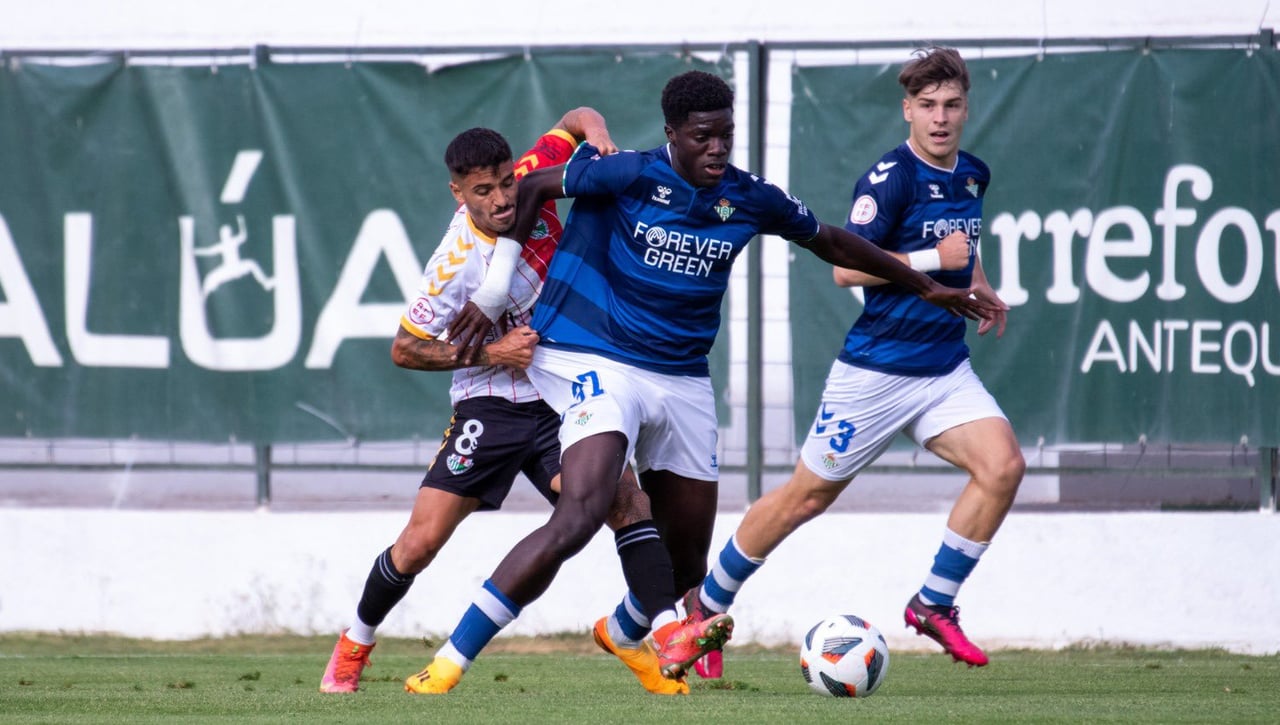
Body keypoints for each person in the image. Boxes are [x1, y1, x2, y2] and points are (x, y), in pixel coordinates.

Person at [408, 69, 995, 695]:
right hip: (596, 359)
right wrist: (496, 290)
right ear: (673, 134)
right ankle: (449, 661)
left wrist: (927, 284)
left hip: (683, 378)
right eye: (702, 137)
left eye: (726, 136)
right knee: (580, 510)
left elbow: (828, 239)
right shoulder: (626, 172)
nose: (717, 149)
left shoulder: (748, 196)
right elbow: (530, 190)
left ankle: (626, 629)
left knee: (688, 564)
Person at [321, 109, 688, 696]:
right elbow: (405, 350)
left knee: (623, 501)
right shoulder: (453, 263)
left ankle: (660, 635)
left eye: (504, 183)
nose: (500, 200)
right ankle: (355, 642)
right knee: (420, 543)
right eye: (482, 191)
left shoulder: (536, 171)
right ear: (458, 193)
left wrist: (597, 138)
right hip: (488, 403)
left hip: (561, 394)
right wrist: (494, 354)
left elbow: (577, 116)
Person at [681, 46, 1022, 668]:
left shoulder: (973, 173)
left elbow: (962, 247)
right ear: (907, 112)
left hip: (943, 369)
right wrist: (930, 264)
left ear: (966, 109)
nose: (940, 118)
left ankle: (933, 604)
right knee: (805, 498)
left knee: (1002, 467)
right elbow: (844, 268)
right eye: (927, 106)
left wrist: (981, 282)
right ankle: (707, 603)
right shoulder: (889, 180)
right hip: (876, 373)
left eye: (951, 105)